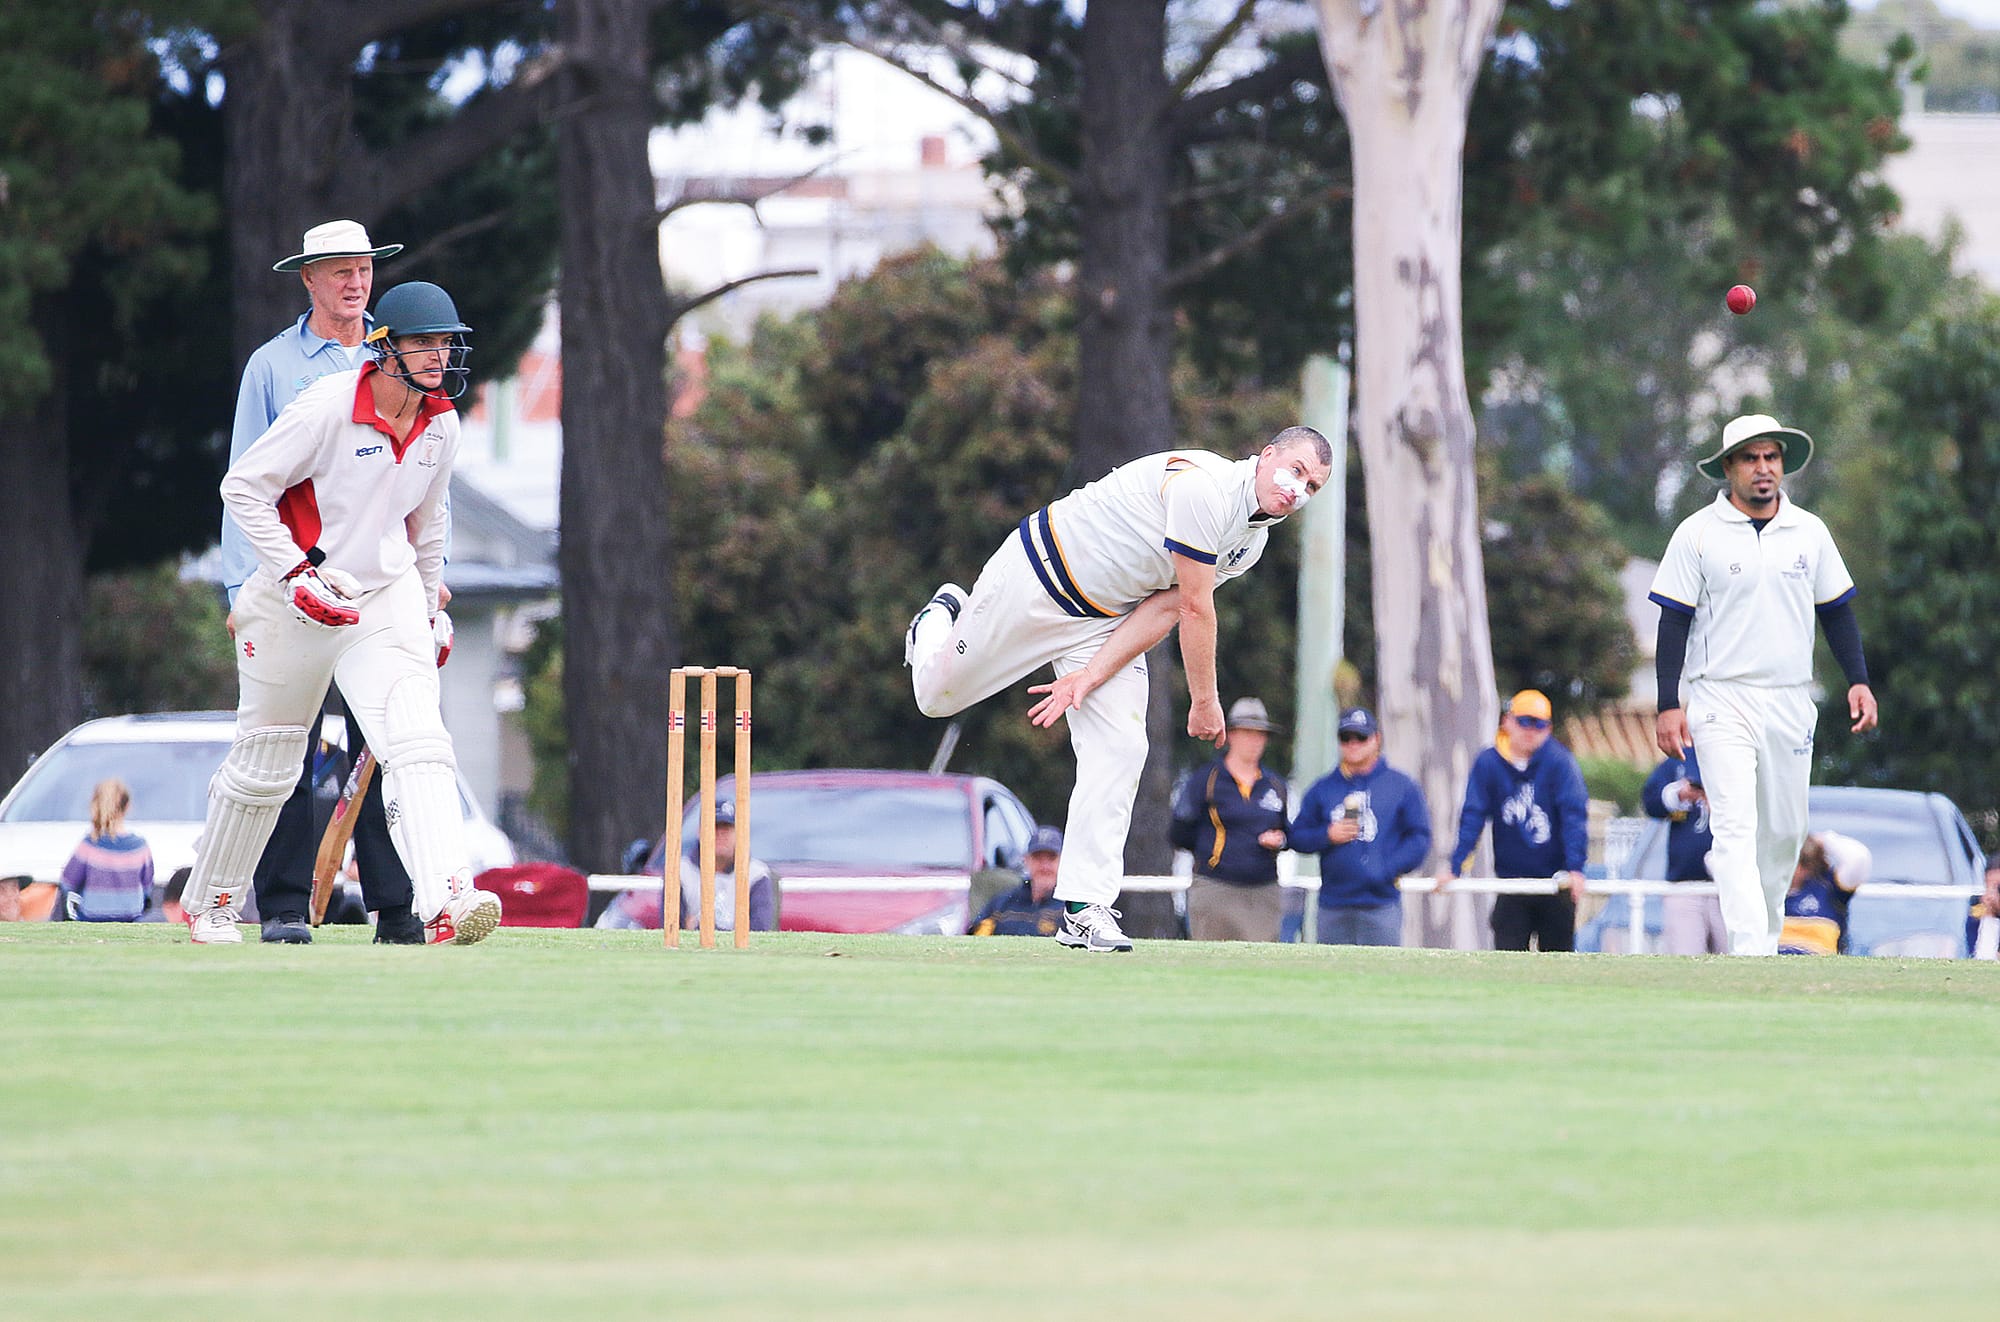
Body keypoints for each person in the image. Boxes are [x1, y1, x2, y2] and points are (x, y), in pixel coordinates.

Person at [905, 427, 1334, 953]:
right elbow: (1199, 609)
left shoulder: (1253, 542)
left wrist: (1089, 676)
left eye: (1312, 486)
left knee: (1123, 745)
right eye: (1295, 470)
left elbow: (1166, 606)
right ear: (1266, 456)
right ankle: (939, 616)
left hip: (1104, 621)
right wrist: (1204, 702)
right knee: (934, 698)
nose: (1298, 490)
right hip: (1040, 576)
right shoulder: (1206, 488)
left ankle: (1084, 909)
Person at [180, 279, 501, 946]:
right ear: (384, 349)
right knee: (268, 763)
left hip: (381, 596)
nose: (439, 356)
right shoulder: (326, 406)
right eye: (423, 343)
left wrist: (429, 604)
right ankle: (212, 905)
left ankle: (448, 897)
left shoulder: (442, 424)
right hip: (293, 599)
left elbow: (428, 524)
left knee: (416, 737)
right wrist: (292, 571)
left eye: (446, 343)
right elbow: (243, 487)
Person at [222, 219, 427, 945]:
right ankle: (281, 907)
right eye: (338, 269)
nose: (355, 280)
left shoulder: (398, 352)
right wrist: (240, 590)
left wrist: (431, 586)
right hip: (293, 583)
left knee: (386, 738)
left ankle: (396, 909)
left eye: (363, 267)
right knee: (289, 748)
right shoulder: (273, 368)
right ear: (307, 278)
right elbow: (243, 482)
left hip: (377, 586)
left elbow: (424, 477)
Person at [1650, 414, 1877, 956]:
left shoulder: (1810, 531)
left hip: (1790, 699)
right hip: (1720, 696)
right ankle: (1750, 948)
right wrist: (1666, 703)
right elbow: (1673, 620)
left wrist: (1858, 681)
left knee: (1782, 833)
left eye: (1771, 457)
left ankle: (1767, 938)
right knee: (1733, 824)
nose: (1763, 468)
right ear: (1728, 468)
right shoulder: (1697, 533)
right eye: (1750, 458)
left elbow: (1837, 612)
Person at [1438, 690, 1589, 952]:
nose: (1530, 730)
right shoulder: (1489, 763)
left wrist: (1575, 868)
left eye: (1539, 724)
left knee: (1559, 963)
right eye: (1523, 721)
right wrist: (1455, 867)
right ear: (1507, 721)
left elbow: (1573, 816)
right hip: (1510, 881)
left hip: (1556, 883)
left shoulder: (1560, 762)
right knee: (1507, 958)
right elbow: (1473, 816)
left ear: (1549, 728)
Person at [1288, 707, 1431, 946]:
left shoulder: (1401, 786)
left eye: (1361, 737)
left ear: (1376, 739)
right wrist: (1327, 835)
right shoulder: (1322, 789)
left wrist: (1386, 869)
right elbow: (1297, 836)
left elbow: (1419, 838)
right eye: (1346, 737)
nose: (1353, 744)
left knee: (1383, 978)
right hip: (1333, 905)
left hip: (1381, 904)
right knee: (1331, 978)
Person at [1169, 697, 1290, 941]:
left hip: (1263, 892)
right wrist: (1215, 855)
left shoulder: (1275, 785)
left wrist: (1280, 840)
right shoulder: (1207, 779)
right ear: (1231, 734)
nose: (1254, 741)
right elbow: (1179, 832)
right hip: (1215, 890)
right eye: (1247, 732)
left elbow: (1288, 831)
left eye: (1260, 734)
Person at [596, 800, 776, 931]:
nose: (720, 835)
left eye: (727, 829)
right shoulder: (680, 871)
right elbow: (673, 929)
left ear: (739, 833)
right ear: (700, 832)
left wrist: (698, 927)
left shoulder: (756, 874)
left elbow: (759, 930)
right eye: (714, 828)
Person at [1640, 747, 1724, 955]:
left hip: (1731, 887)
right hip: (1684, 883)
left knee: (1736, 958)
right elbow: (1650, 801)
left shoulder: (1743, 751)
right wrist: (1678, 794)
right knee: (1685, 959)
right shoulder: (1682, 758)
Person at [58, 780, 155, 922]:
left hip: (92, 916)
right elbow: (147, 887)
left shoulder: (89, 845)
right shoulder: (140, 847)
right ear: (127, 806)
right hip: (131, 917)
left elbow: (68, 882)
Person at [1779, 830, 1872, 955]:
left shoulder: (1829, 887)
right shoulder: (1760, 890)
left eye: (1802, 862)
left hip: (1817, 965)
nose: (1794, 869)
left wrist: (1825, 840)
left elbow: (1859, 858)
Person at [969, 825, 1068, 937]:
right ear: (1026, 860)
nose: (1044, 866)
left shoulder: (1070, 910)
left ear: (1063, 861)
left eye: (1051, 858)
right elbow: (977, 940)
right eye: (1037, 858)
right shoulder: (1002, 905)